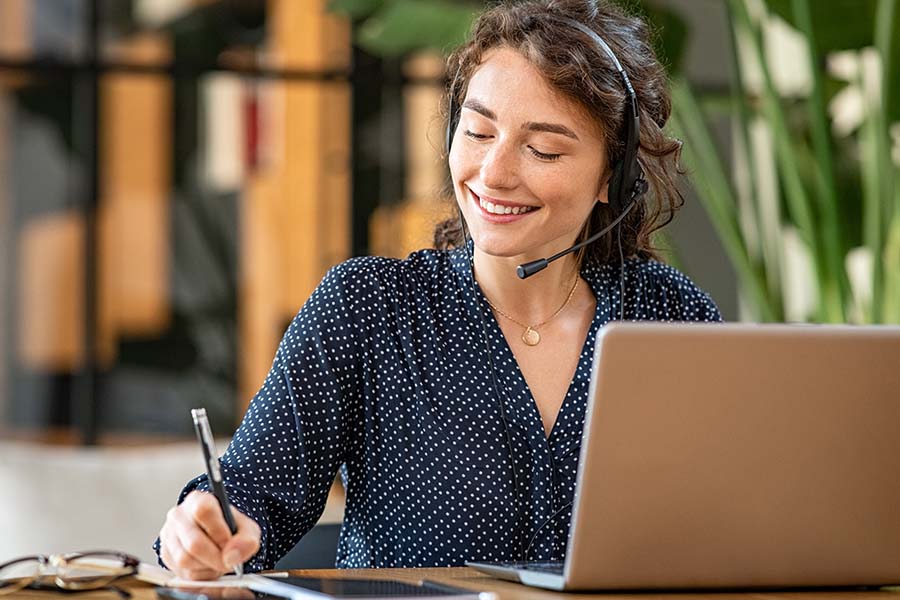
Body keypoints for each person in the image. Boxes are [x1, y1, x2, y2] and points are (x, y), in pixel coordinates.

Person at [156, 0, 721, 579]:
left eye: (543, 149)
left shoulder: (669, 316)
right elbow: (248, 501)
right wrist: (200, 530)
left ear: (614, 174)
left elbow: (737, 517)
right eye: (477, 132)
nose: (493, 172)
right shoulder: (368, 308)